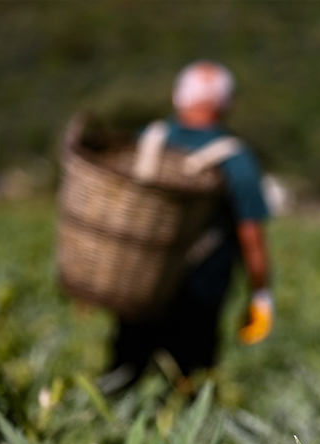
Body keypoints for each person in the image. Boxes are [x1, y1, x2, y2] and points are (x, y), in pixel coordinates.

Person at [99, 60, 273, 395]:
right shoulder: (236, 159)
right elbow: (251, 235)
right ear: (226, 104)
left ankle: (103, 440)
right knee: (189, 388)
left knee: (122, 377)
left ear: (178, 98)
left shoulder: (147, 141)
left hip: (140, 284)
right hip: (199, 294)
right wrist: (260, 294)